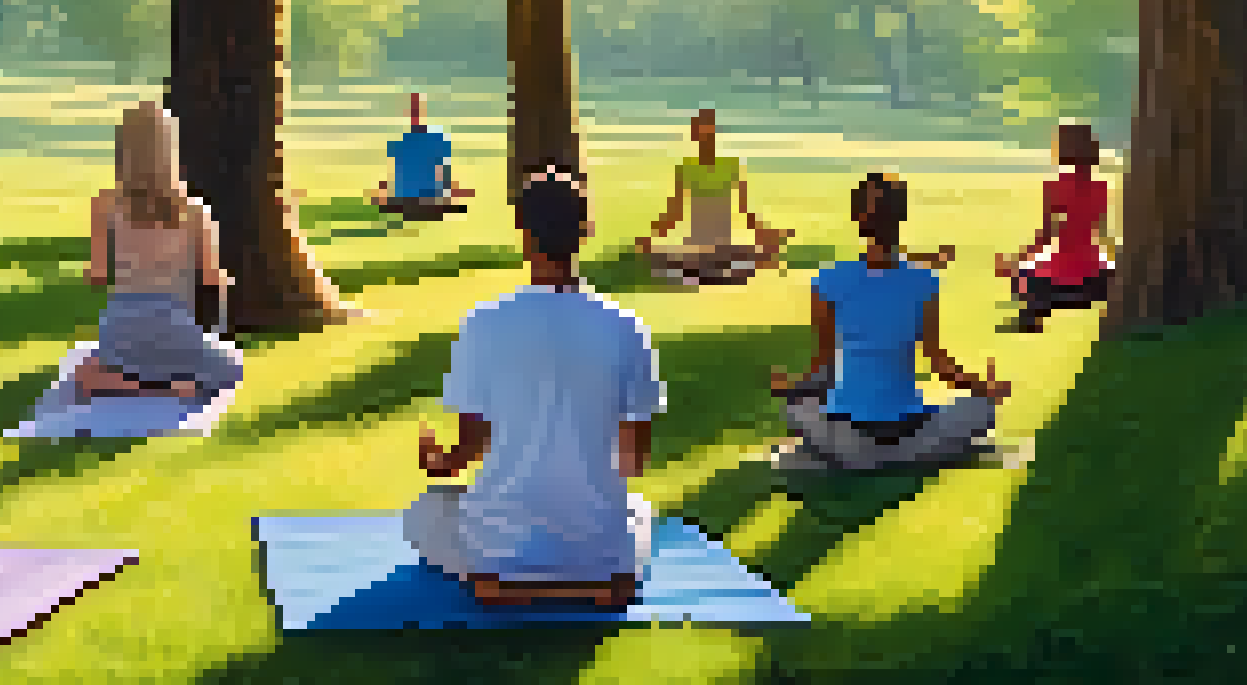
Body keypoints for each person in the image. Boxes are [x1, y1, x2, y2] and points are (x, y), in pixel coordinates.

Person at [405, 163, 664, 608]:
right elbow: (633, 461)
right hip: (596, 543)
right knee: (640, 510)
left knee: (424, 513)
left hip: (500, 539)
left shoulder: (483, 323)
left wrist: (440, 464)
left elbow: (471, 445)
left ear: (527, 236)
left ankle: (506, 581)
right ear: (584, 234)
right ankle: (594, 581)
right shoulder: (627, 327)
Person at [769, 173, 1012, 473]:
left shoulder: (826, 281)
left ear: (857, 218)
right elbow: (939, 364)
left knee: (794, 406)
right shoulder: (924, 281)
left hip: (848, 440)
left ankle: (851, 455)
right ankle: (904, 455)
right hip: (913, 435)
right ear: (902, 217)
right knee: (981, 410)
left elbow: (823, 369)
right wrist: (983, 388)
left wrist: (789, 387)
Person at [68, 102, 247, 402]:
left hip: (120, 329)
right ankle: (168, 386)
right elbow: (211, 277)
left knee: (94, 365)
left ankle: (132, 386)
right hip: (174, 327)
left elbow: (97, 275)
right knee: (231, 366)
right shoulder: (194, 210)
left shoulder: (105, 203)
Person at [634, 109, 793, 287]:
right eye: (703, 131)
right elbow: (674, 213)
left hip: (716, 251)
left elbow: (744, 211)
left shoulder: (727, 167)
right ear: (697, 135)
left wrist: (766, 234)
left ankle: (714, 271)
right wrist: (650, 239)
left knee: (672, 264)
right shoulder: (691, 168)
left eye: (708, 130)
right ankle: (725, 270)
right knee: (741, 260)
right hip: (704, 251)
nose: (706, 136)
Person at [996, 122, 1117, 333]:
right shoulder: (1101, 186)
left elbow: (1047, 235)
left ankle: (1032, 318)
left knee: (1022, 274)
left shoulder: (1056, 185)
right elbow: (1102, 233)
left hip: (1061, 275)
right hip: (1095, 276)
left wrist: (1015, 262)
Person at [366, 93, 475, 219]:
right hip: (424, 199)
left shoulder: (404, 144)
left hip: (410, 200)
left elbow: (394, 177)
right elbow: (441, 174)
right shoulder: (434, 140)